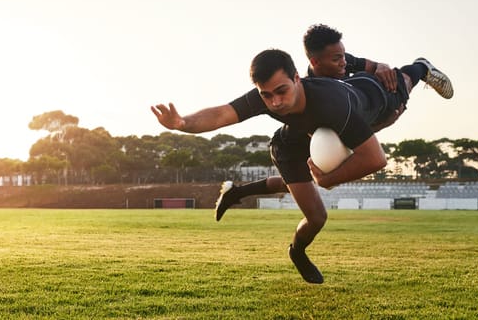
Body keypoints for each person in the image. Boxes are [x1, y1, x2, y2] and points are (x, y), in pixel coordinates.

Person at [151, 48, 453, 283]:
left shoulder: (332, 103)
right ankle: (297, 251)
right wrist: (181, 123)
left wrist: (329, 178)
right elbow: (221, 114)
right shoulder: (265, 95)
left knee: (308, 180)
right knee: (317, 215)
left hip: (323, 138)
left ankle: (242, 197)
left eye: (282, 90)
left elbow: (376, 159)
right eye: (266, 95)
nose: (275, 102)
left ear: (297, 78)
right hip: (288, 146)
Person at [213, 24, 450, 222]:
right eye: (337, 59)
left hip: (348, 107)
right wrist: (383, 125)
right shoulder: (312, 90)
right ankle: (420, 67)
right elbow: (346, 134)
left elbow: (363, 69)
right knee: (303, 182)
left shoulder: (341, 64)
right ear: (315, 63)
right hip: (304, 135)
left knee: (397, 82)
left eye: (343, 57)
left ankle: (420, 68)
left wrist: (380, 66)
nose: (343, 63)